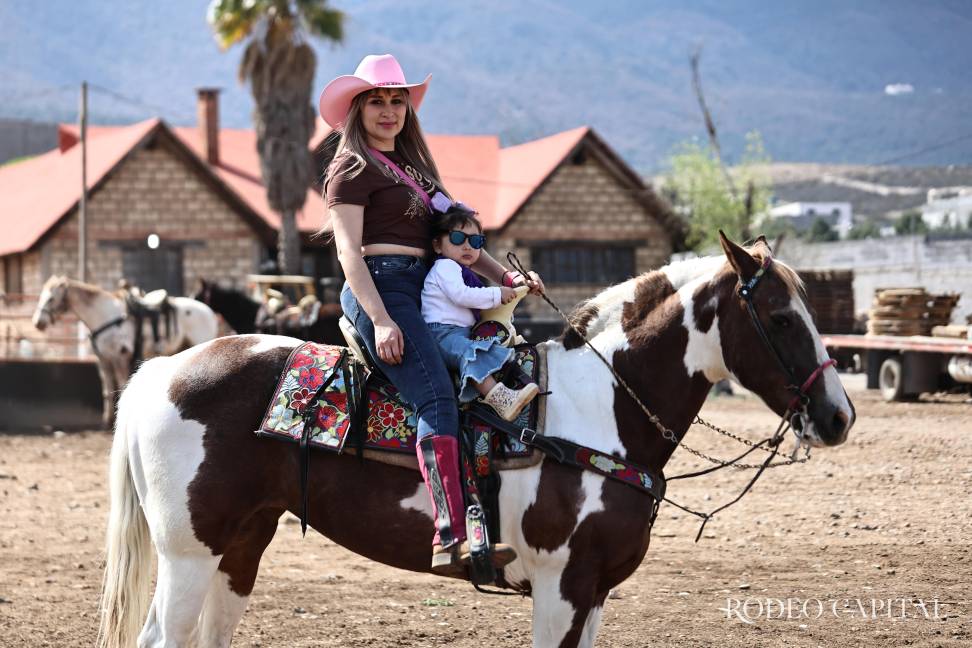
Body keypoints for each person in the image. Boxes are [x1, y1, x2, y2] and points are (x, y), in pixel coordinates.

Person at [320, 54, 544, 576]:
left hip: (430, 290)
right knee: (437, 397)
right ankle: (450, 537)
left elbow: (461, 240)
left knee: (490, 364)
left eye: (397, 100)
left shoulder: (418, 173)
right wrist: (379, 319)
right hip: (382, 289)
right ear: (357, 108)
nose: (389, 110)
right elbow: (348, 253)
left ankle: (493, 511)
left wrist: (506, 280)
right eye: (376, 100)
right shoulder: (350, 168)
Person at [422, 206, 540, 420]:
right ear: (437, 245)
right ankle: (501, 399)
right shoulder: (445, 267)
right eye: (458, 238)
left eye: (476, 242)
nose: (468, 246)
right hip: (442, 334)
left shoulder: (459, 270)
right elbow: (462, 295)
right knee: (472, 352)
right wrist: (496, 294)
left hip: (459, 332)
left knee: (489, 346)